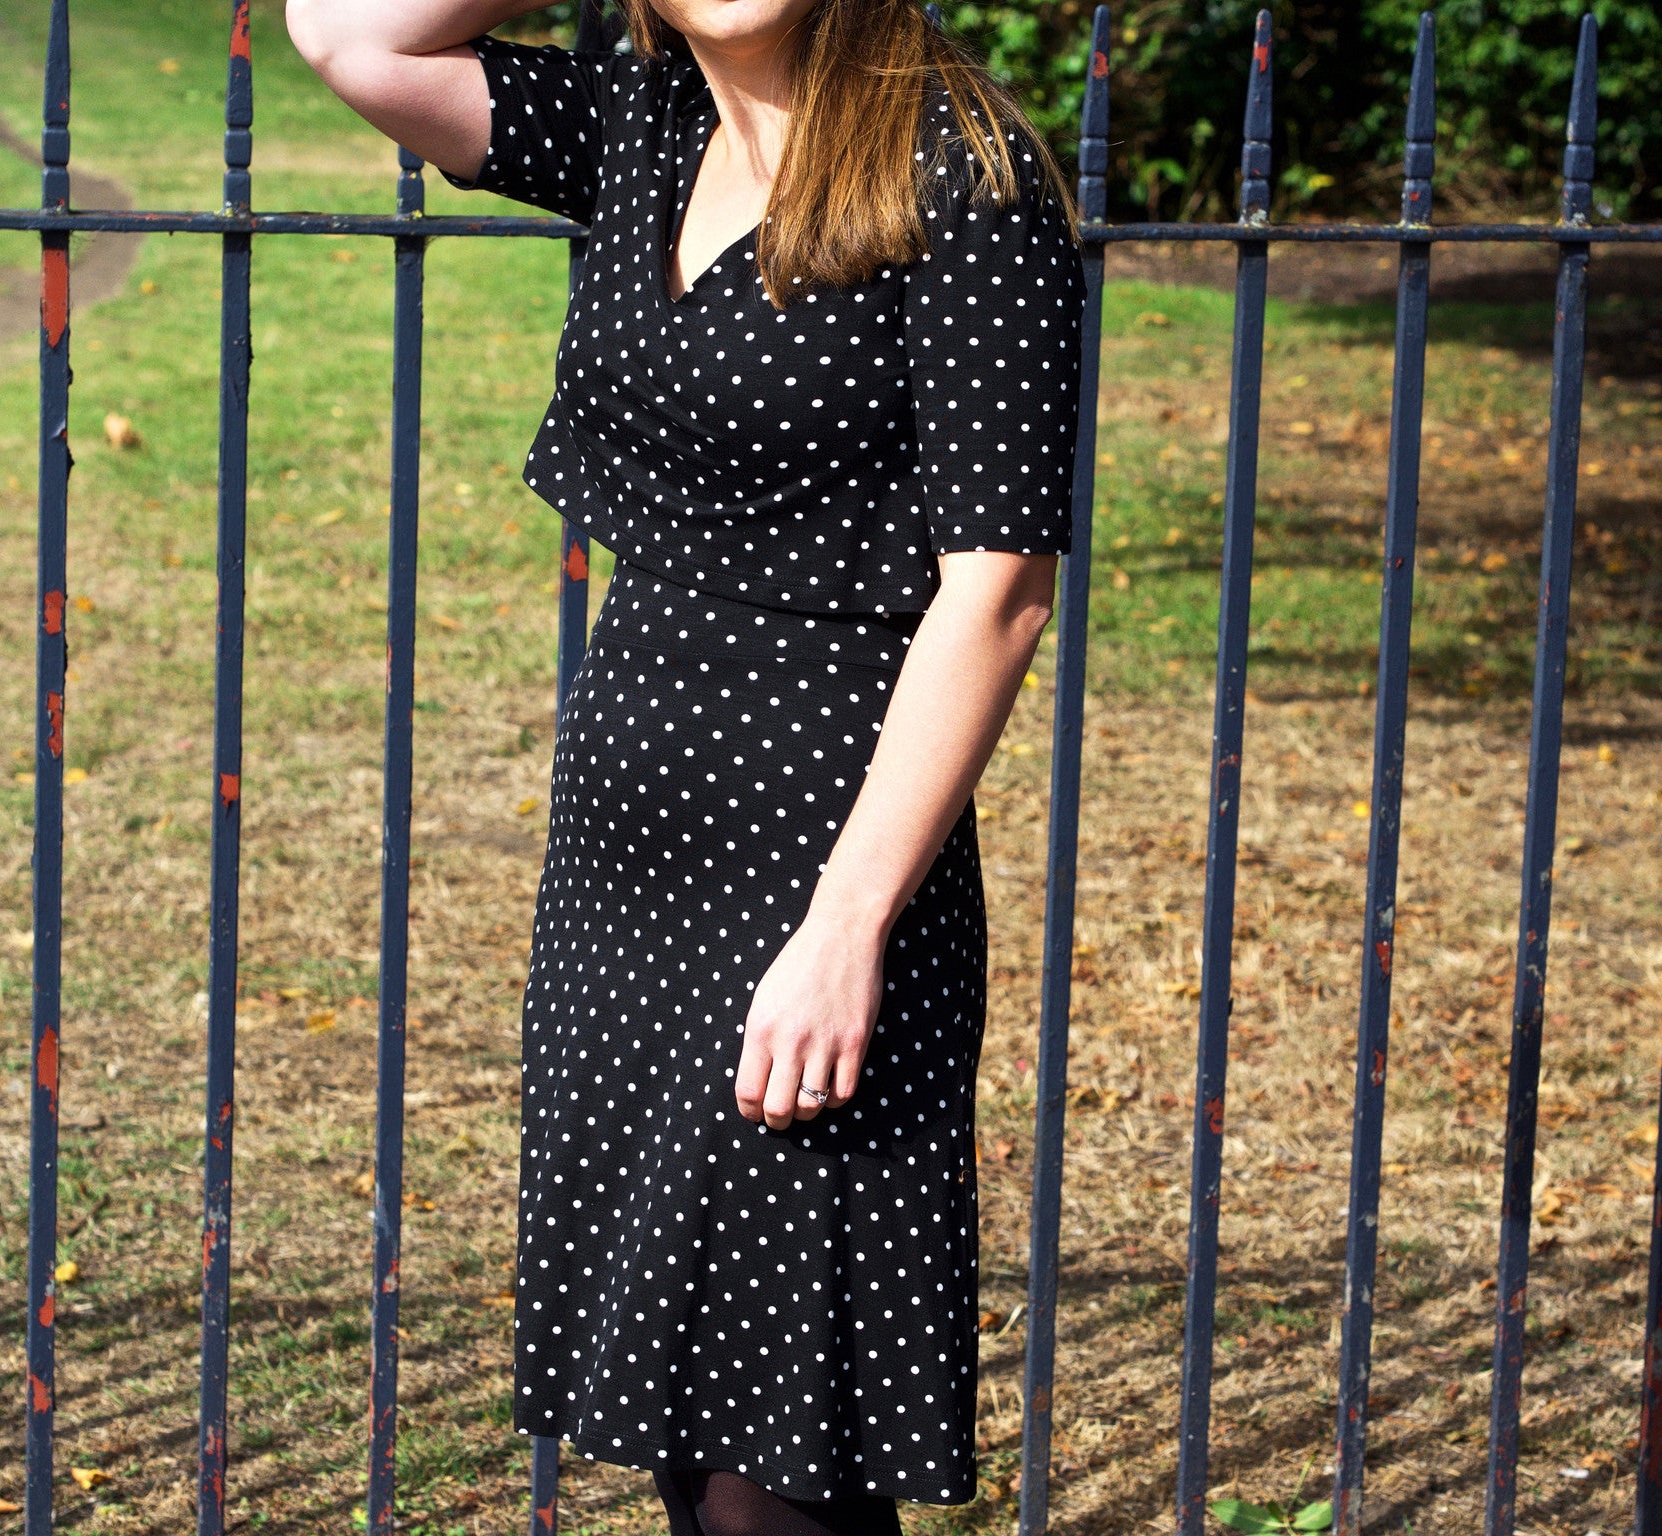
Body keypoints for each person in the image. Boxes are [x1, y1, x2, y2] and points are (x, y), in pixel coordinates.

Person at [286, 1, 1083, 1529]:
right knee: (685, 1409)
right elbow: (348, 39)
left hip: (819, 867)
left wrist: (847, 930)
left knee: (775, 1466)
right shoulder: (642, 127)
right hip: (624, 878)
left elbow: (998, 591)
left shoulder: (959, 173)